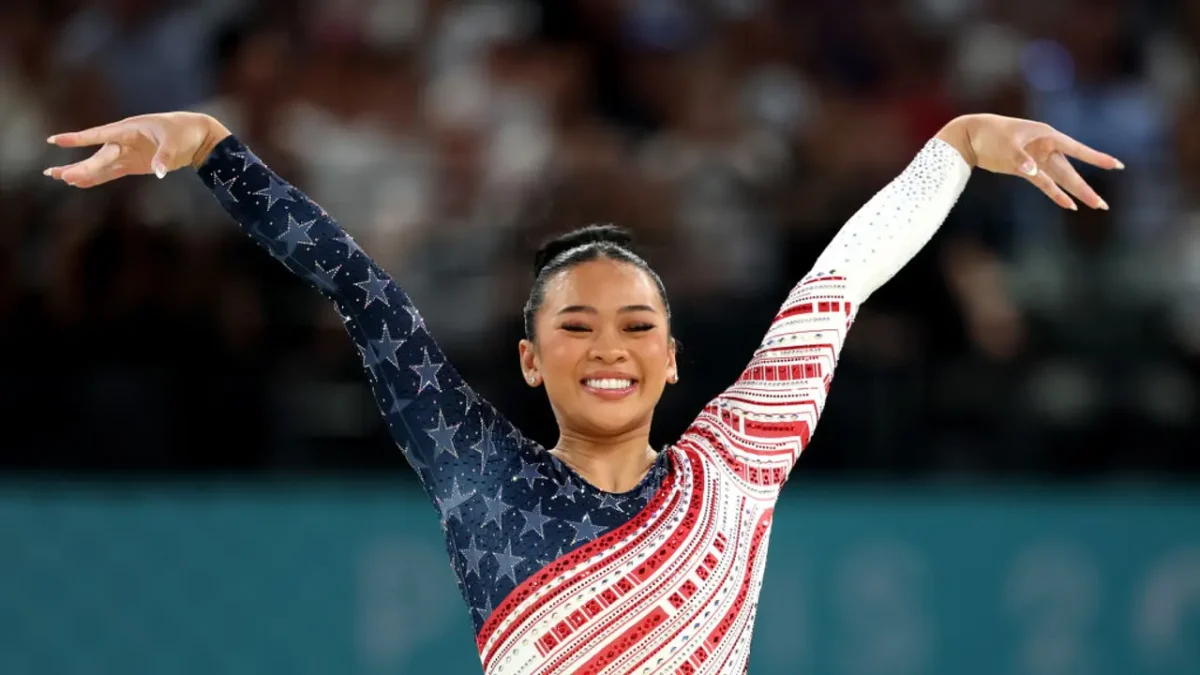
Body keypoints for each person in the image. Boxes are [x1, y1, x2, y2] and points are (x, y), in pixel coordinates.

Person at [42, 111, 1120, 674]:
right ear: (530, 359)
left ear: (672, 359)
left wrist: (963, 146)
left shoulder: (735, 462)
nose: (610, 347)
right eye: (577, 324)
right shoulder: (479, 475)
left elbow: (839, 281)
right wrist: (208, 150)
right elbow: (362, 292)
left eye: (638, 325)